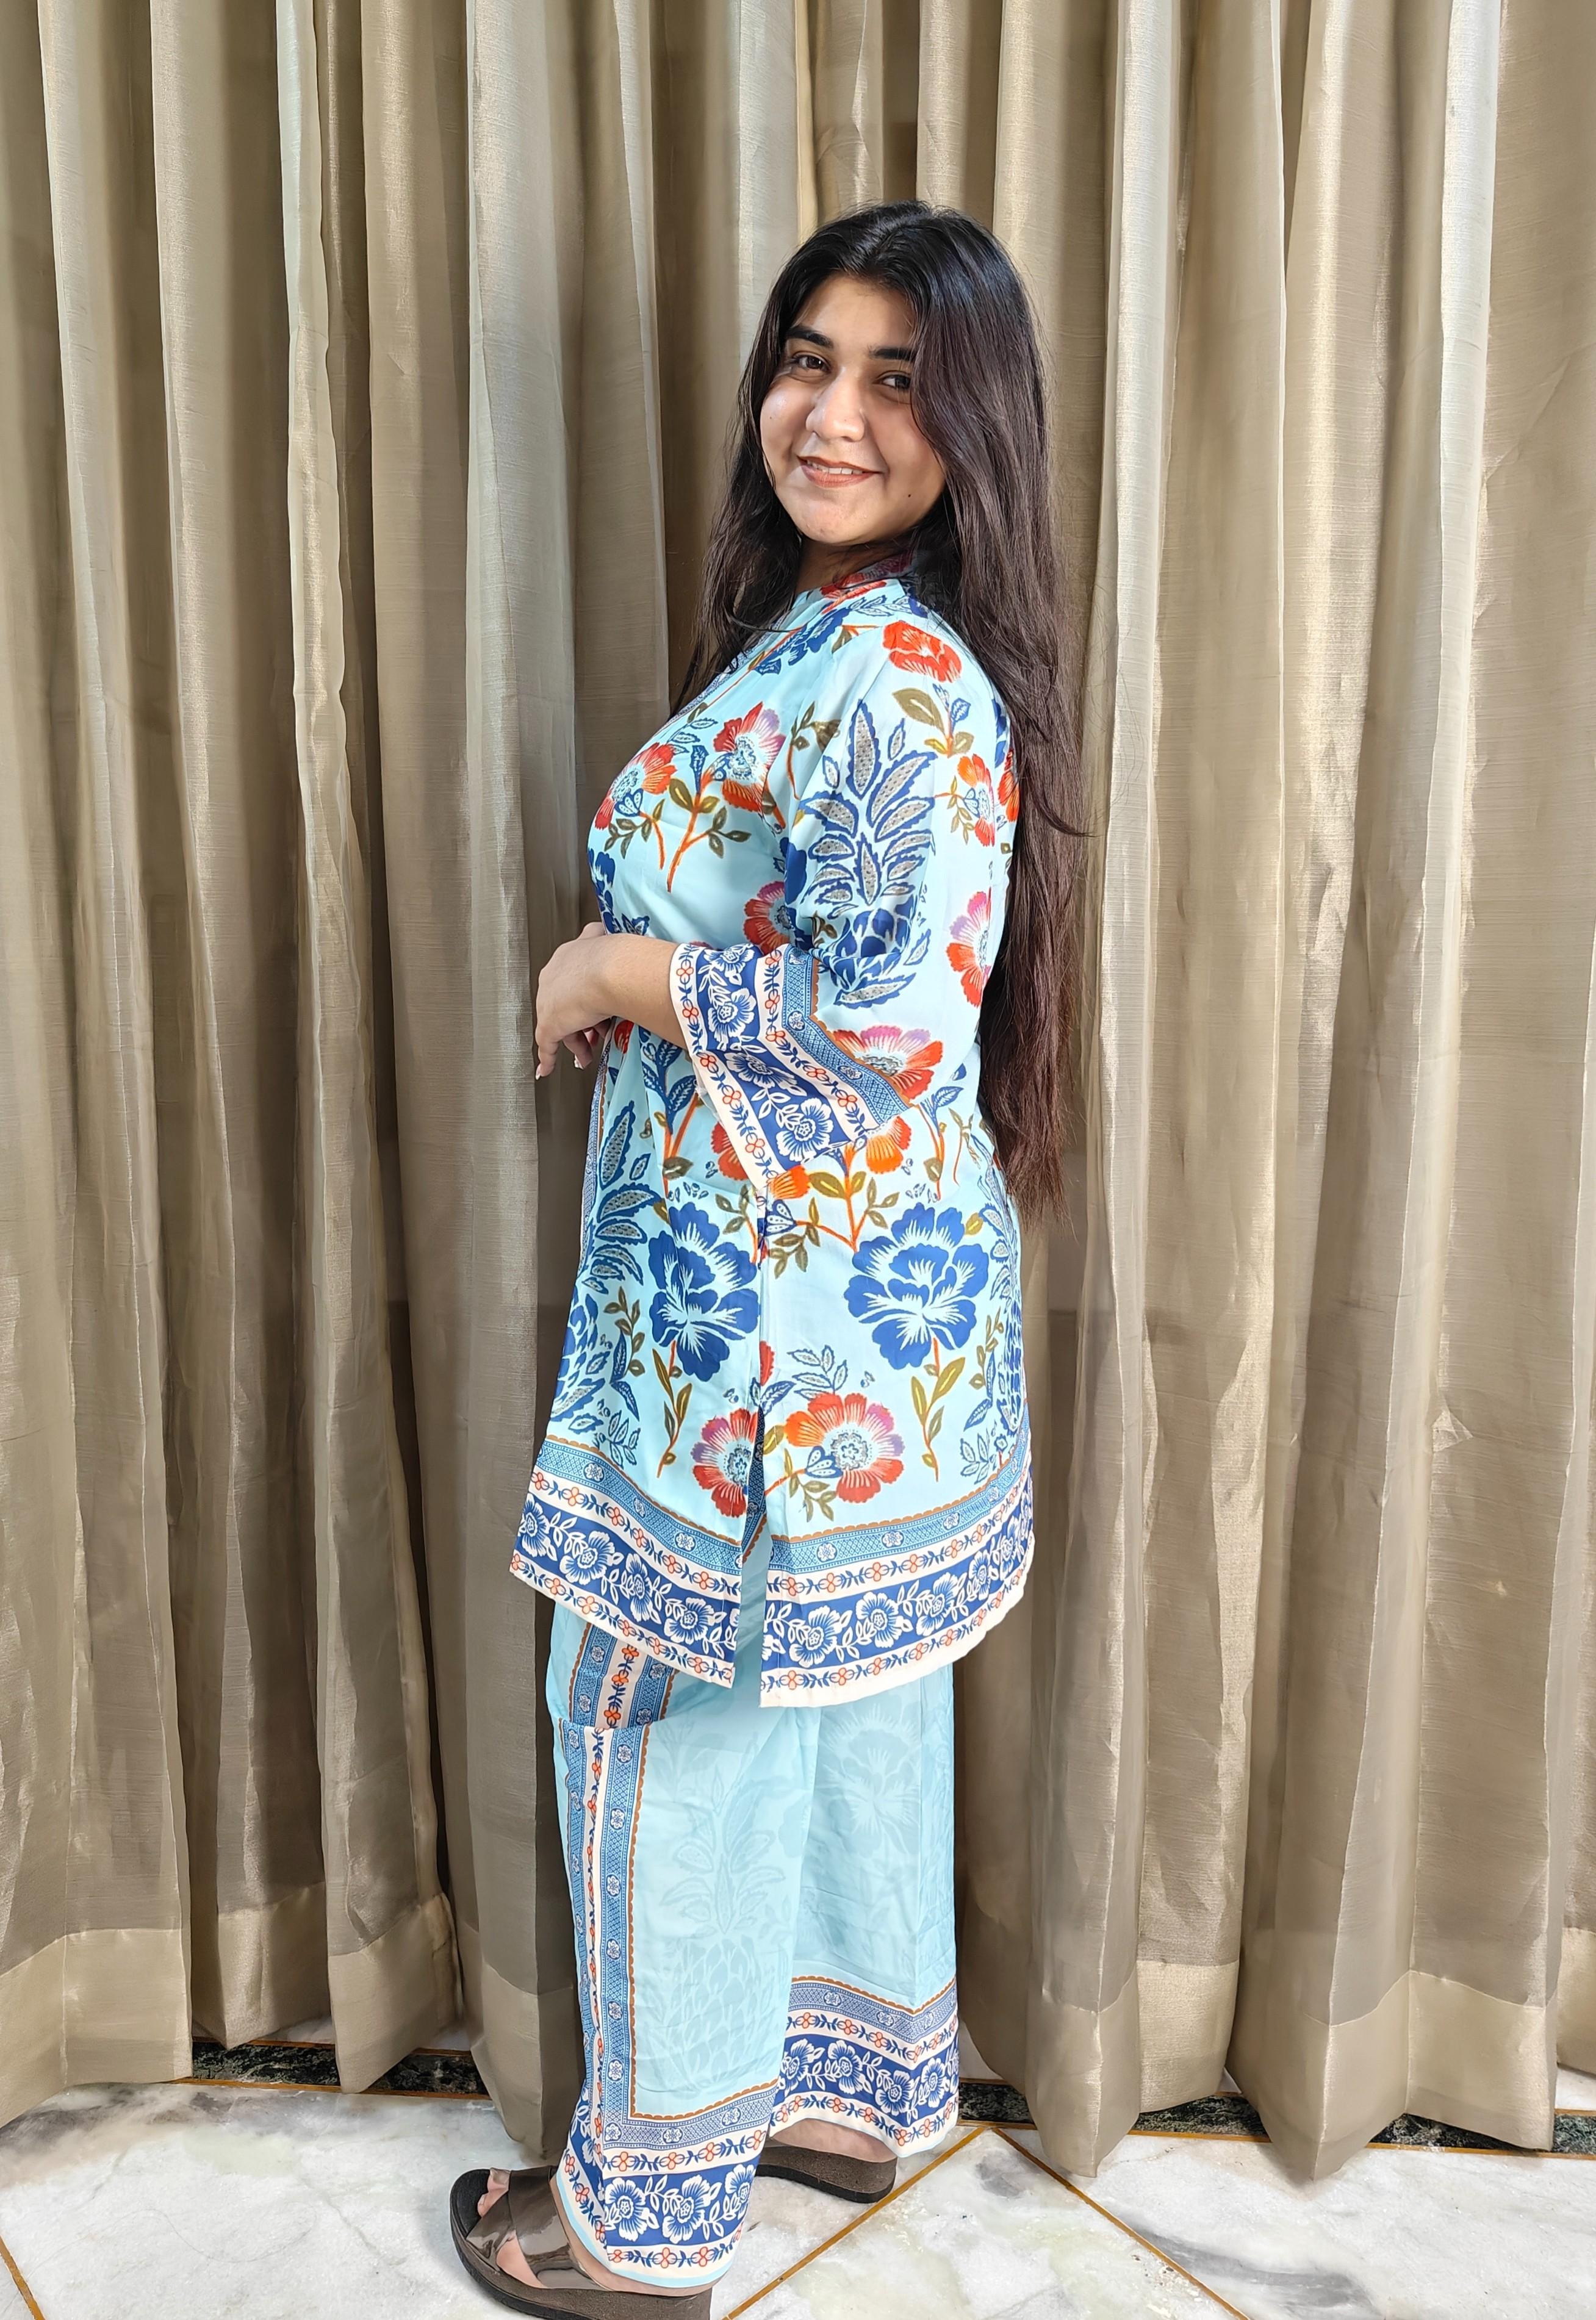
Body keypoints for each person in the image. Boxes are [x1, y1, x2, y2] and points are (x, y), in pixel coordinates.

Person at [450, 198, 1080, 2315]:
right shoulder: (847, 632)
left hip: (766, 1358)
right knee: (838, 1713)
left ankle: (640, 2228)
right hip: (840, 1335)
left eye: (898, 379)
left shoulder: (893, 673)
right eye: (810, 360)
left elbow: (890, 1031)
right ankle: (835, 2088)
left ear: (972, 423)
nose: (832, 414)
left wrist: (610, 968)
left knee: (662, 1720)